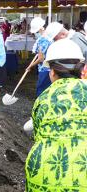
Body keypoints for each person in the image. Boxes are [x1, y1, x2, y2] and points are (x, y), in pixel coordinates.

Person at [25, 39, 87, 191]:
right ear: (81, 69)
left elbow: (36, 133)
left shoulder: (43, 99)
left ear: (52, 72)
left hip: (42, 172)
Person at [26, 17, 52, 96]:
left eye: (36, 31)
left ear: (40, 29)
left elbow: (41, 59)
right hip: (51, 67)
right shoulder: (50, 36)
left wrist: (30, 66)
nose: (35, 33)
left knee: (41, 91)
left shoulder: (42, 40)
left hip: (45, 68)